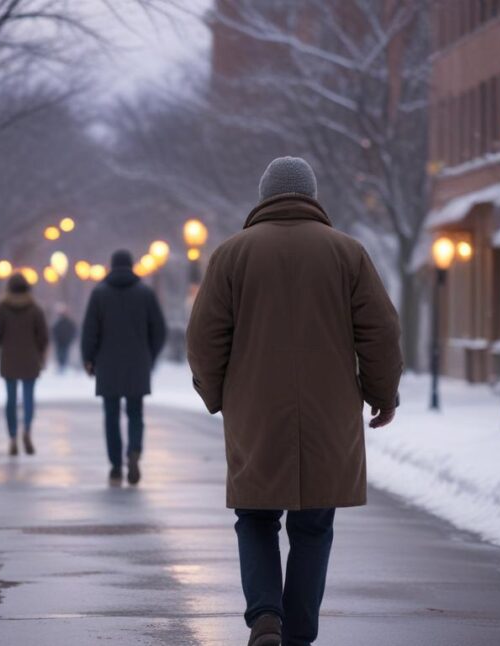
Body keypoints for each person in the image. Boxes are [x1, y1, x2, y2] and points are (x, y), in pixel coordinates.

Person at [186, 156, 402, 646]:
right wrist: (381, 393)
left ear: (264, 197)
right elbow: (381, 331)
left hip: (255, 413)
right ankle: (300, 633)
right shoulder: (348, 253)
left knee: (255, 516)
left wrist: (217, 394)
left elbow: (203, 338)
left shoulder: (230, 255)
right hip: (329, 414)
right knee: (313, 526)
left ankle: (265, 619)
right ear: (312, 196)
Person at [81, 250, 166, 486]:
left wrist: (89, 358)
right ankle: (135, 451)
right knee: (135, 413)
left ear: (111, 266)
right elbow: (159, 330)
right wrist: (150, 355)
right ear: (131, 266)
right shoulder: (146, 293)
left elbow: (90, 331)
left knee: (111, 415)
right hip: (138, 363)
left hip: (107, 364)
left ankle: (116, 466)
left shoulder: (98, 294)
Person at [0, 274, 48, 456]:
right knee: (29, 398)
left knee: (11, 399)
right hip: (30, 360)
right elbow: (43, 336)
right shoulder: (35, 309)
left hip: (9, 360)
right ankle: (27, 430)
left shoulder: (1, 309)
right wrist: (41, 356)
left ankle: (13, 437)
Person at [50, 304, 77, 373]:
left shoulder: (69, 322)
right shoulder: (57, 322)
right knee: (59, 354)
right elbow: (53, 331)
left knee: (64, 354)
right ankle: (60, 366)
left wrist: (71, 339)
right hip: (59, 342)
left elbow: (74, 331)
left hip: (66, 342)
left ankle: (63, 367)